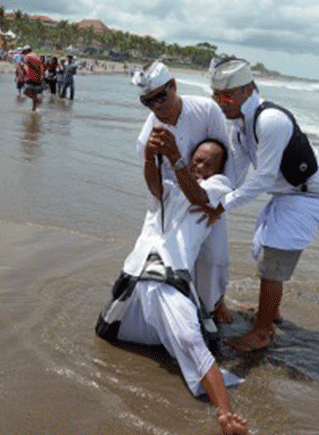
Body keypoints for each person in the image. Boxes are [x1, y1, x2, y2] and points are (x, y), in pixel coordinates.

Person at [96, 138, 249, 435]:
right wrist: (149, 157)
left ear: (218, 169)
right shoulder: (171, 186)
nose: (197, 164)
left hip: (170, 275)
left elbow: (198, 198)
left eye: (206, 161)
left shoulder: (219, 187)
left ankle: (227, 416)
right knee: (108, 334)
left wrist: (177, 158)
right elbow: (155, 188)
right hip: (137, 273)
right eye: (196, 158)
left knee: (191, 340)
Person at [198, 57, 319, 352]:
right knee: (263, 250)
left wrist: (221, 207)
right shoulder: (240, 125)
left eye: (228, 96)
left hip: (305, 196)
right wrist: (211, 193)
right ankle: (272, 313)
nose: (222, 103)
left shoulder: (270, 121)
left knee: (273, 263)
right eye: (216, 97)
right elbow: (238, 172)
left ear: (248, 89)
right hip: (284, 193)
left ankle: (260, 334)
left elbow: (263, 179)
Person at [132, 61, 235, 324]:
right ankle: (175, 310)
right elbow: (155, 190)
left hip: (210, 195)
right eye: (148, 102)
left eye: (160, 97)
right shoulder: (148, 135)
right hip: (171, 200)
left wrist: (221, 205)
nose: (156, 106)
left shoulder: (206, 110)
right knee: (166, 256)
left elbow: (227, 160)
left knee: (214, 257)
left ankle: (214, 304)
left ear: (173, 86)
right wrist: (149, 158)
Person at [21, 46, 44, 111]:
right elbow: (41, 67)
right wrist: (41, 76)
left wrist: (23, 68)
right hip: (38, 78)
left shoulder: (27, 57)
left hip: (30, 77)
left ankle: (38, 100)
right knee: (34, 93)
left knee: (25, 92)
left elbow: (25, 67)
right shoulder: (37, 56)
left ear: (26, 51)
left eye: (24, 52)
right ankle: (34, 109)